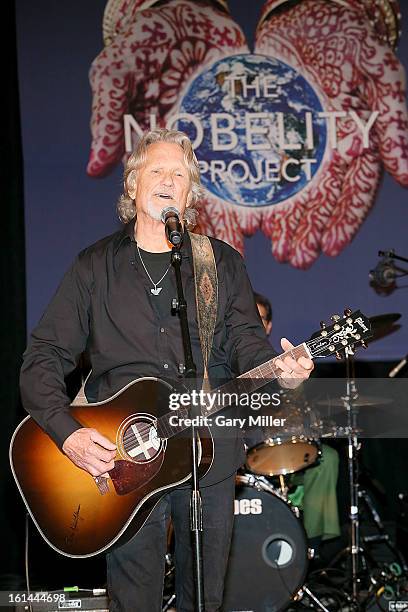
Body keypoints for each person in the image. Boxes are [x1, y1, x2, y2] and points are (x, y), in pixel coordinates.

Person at [19, 129, 314, 612]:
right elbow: (43, 358)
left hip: (208, 451)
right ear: (133, 185)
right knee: (133, 599)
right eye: (156, 170)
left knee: (205, 598)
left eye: (179, 174)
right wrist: (67, 432)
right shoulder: (94, 268)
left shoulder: (219, 263)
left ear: (190, 194)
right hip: (123, 457)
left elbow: (247, 350)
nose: (167, 180)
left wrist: (281, 373)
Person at [253, 292, 341, 549]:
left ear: (268, 326)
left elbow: (304, 412)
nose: (253, 324)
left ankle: (312, 548)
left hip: (284, 446)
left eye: (259, 318)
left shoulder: (286, 363)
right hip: (241, 451)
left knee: (328, 460)